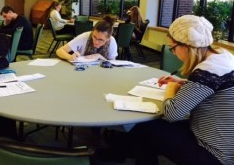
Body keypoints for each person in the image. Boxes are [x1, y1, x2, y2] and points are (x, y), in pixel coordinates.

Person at [96, 15, 234, 165]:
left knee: (147, 126)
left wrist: (171, 88)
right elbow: (213, 89)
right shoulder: (223, 57)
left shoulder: (206, 72)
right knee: (146, 130)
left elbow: (172, 114)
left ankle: (117, 152)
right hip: (225, 144)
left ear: (186, 46)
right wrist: (183, 83)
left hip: (214, 155)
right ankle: (119, 151)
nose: (173, 53)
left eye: (173, 48)